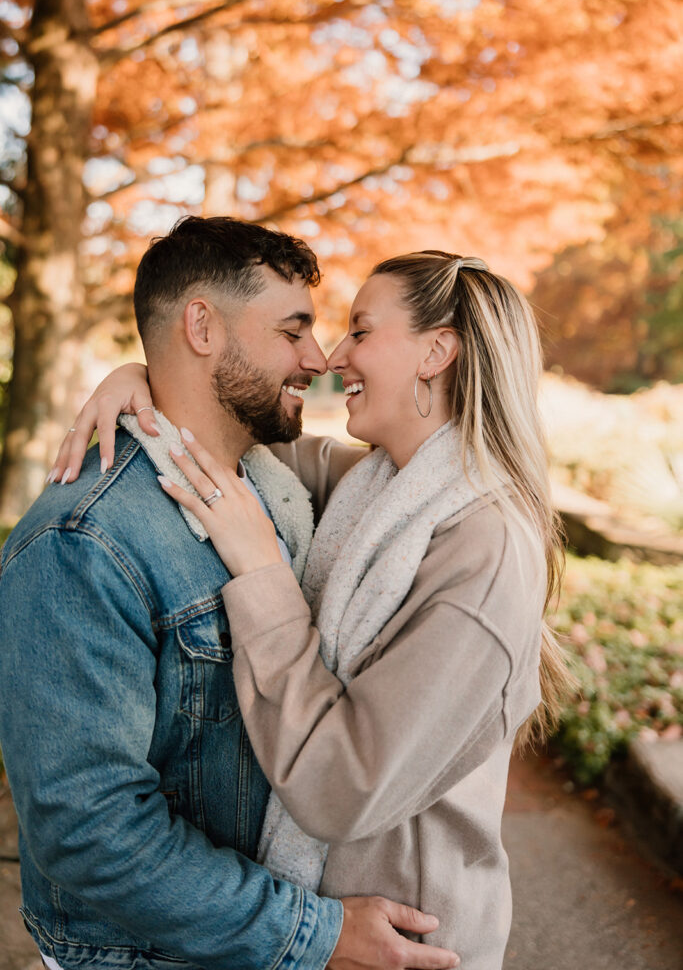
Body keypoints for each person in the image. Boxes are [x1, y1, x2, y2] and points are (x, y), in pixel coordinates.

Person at [51, 246, 575, 970]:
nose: (331, 355)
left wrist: (261, 570)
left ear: (436, 352)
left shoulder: (481, 548)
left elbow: (339, 788)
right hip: (329, 924)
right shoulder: (380, 487)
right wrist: (141, 375)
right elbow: (227, 433)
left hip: (400, 940)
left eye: (360, 330)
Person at [0, 218, 462, 970]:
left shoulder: (275, 494)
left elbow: (421, 465)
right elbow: (90, 833)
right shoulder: (83, 543)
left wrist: (137, 377)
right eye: (293, 331)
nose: (318, 360)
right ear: (202, 327)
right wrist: (319, 932)